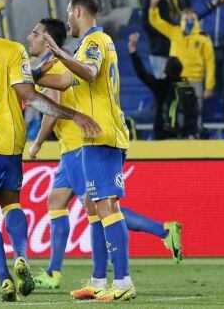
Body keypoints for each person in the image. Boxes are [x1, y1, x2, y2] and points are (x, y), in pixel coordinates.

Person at [0, 0, 100, 302]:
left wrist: (34, 74)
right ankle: (21, 255)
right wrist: (72, 114)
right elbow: (28, 95)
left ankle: (4, 279)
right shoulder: (12, 50)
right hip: (7, 140)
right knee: (11, 205)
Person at [27, 22, 182, 290]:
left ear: (47, 38)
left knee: (99, 206)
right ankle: (56, 271)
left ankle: (162, 232)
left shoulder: (60, 61)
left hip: (79, 145)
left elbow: (51, 109)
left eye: (35, 33)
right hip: (69, 148)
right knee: (56, 202)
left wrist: (37, 143)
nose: (30, 37)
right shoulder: (59, 61)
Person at [41, 0, 135, 301]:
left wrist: (58, 50)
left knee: (107, 205)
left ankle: (122, 282)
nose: (67, 19)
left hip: (103, 133)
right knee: (94, 208)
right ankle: (97, 280)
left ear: (78, 11)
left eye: (69, 13)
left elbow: (90, 72)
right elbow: (67, 81)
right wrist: (31, 75)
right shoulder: (85, 46)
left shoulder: (95, 42)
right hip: (93, 137)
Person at [149, 0, 215, 127]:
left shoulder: (203, 38)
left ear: (197, 20)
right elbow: (156, 22)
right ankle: (176, 137)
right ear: (181, 20)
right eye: (187, 19)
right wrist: (153, 7)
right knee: (176, 110)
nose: (190, 21)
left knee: (195, 111)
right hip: (175, 80)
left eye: (193, 19)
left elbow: (210, 63)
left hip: (195, 81)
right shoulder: (175, 32)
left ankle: (194, 136)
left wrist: (209, 86)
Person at [127, 32, 190, 139]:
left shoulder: (161, 85)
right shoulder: (187, 87)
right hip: (183, 131)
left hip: (163, 129)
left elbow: (142, 73)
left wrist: (132, 50)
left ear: (166, 69)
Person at [142, 0, 191, 77]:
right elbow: (146, 23)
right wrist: (171, 32)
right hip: (162, 52)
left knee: (182, 90)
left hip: (182, 51)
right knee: (165, 90)